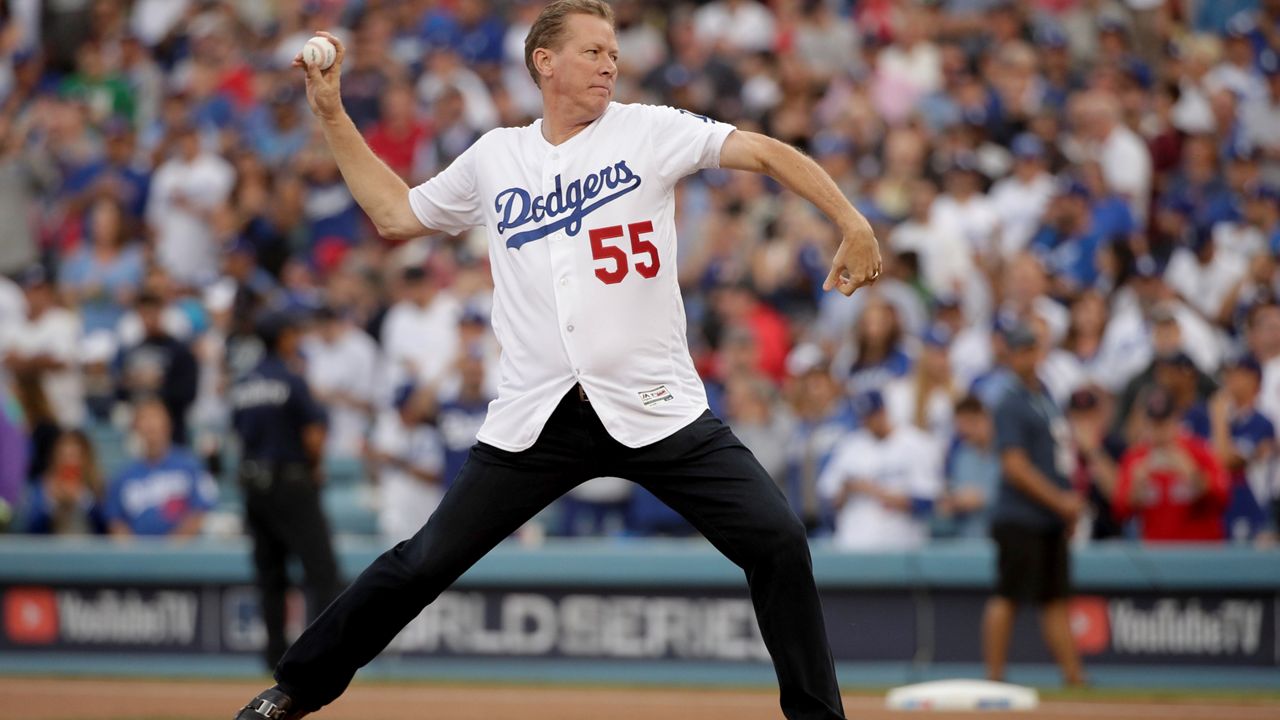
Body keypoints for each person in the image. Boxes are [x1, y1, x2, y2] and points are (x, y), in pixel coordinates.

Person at [235, 2, 881, 718]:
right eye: (593, 50)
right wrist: (330, 112)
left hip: (653, 405)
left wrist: (850, 219)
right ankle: (294, 690)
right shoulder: (496, 156)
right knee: (421, 563)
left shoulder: (648, 129)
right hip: (535, 416)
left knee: (779, 541)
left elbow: (762, 150)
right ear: (545, 62)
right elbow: (395, 215)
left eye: (612, 51)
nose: (611, 61)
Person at [231, 310, 342, 672]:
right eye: (293, 332)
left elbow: (238, 435)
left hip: (254, 486)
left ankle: (273, 658)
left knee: (271, 576)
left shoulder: (244, 383)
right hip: (292, 482)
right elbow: (313, 435)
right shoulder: (291, 379)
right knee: (322, 571)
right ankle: (326, 655)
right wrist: (315, 465)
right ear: (282, 338)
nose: (297, 338)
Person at [983, 323, 1086, 688]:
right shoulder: (1010, 401)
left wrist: (1065, 505)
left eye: (1034, 348)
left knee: (1056, 599)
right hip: (1019, 516)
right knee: (1007, 596)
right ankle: (994, 678)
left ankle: (1074, 679)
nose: (1029, 356)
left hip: (1048, 517)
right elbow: (1015, 466)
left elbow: (1056, 458)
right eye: (1022, 350)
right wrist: (1061, 502)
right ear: (1010, 356)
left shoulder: (1045, 396)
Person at [817, 389, 942, 551]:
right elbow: (828, 498)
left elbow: (927, 501)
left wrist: (875, 491)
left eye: (871, 416)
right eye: (863, 417)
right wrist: (848, 488)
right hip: (853, 545)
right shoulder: (849, 445)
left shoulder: (916, 443)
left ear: (884, 412)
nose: (867, 422)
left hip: (901, 546)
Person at [1114, 389, 1230, 543]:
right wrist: (1135, 489)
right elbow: (1120, 510)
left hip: (1200, 552)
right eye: (1154, 423)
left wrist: (1193, 474)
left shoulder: (1199, 451)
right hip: (1157, 554)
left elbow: (1222, 499)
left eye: (1164, 422)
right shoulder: (1136, 458)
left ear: (1176, 419)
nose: (1160, 430)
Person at [104, 400, 217, 538]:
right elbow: (116, 521)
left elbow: (199, 511)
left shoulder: (190, 466)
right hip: (138, 555)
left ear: (168, 425)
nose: (151, 424)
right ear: (136, 427)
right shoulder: (123, 476)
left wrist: (171, 549)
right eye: (145, 418)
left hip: (183, 554)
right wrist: (134, 553)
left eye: (156, 418)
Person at [117, 291, 199, 446]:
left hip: (172, 433)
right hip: (139, 433)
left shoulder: (179, 351)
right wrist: (130, 383)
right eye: (144, 313)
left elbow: (188, 393)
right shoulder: (133, 351)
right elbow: (120, 393)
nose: (149, 319)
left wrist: (160, 383)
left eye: (153, 312)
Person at [367, 383, 446, 542]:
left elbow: (434, 475)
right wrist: (370, 457)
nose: (404, 413)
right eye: (401, 409)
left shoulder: (428, 434)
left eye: (407, 408)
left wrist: (397, 461)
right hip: (394, 509)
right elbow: (373, 472)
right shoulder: (387, 431)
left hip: (425, 509)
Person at [22, 429, 107, 535]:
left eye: (74, 455)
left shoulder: (97, 487)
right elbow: (32, 528)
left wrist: (82, 499)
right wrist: (52, 502)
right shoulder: (41, 487)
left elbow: (105, 527)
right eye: (63, 455)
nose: (68, 462)